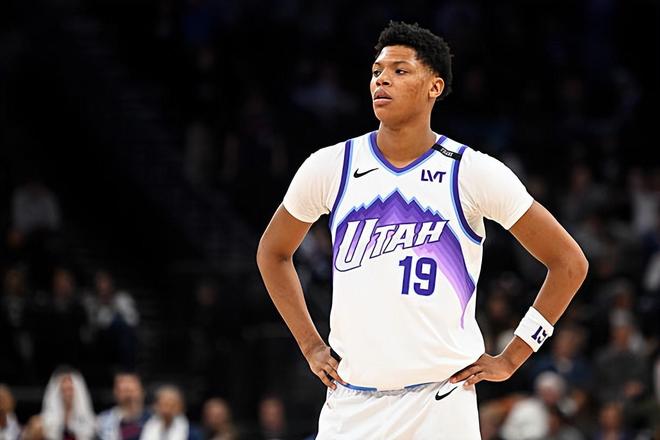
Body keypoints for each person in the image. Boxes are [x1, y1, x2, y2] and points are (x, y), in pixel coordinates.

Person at [256, 21, 589, 439]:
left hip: (440, 404)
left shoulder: (471, 172)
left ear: (434, 86)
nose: (382, 80)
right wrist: (309, 344)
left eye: (400, 70)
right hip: (351, 403)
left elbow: (569, 263)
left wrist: (514, 356)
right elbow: (272, 253)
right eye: (377, 71)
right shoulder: (330, 166)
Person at [41, 367, 95, 440]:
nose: (67, 394)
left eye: (70, 389)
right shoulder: (45, 422)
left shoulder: (88, 420)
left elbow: (87, 432)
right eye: (64, 390)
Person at [96, 372, 151, 440]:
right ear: (115, 393)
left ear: (142, 392)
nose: (129, 396)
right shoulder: (103, 421)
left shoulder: (154, 419)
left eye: (132, 391)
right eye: (124, 391)